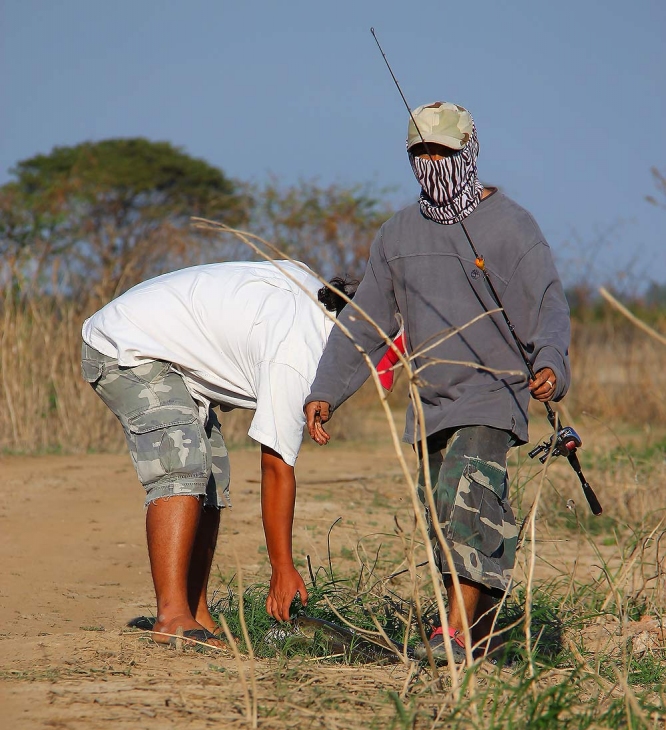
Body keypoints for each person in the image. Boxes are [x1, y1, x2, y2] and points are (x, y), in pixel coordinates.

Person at [305, 101, 571, 664]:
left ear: (470, 151)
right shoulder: (397, 233)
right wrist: (325, 391)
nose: (433, 163)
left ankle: (451, 633)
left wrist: (550, 362)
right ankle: (480, 636)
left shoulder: (512, 226)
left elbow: (548, 302)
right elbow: (366, 322)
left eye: (444, 152)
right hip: (428, 404)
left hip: (491, 395)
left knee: (467, 503)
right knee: (443, 520)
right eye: (421, 153)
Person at [81, 260, 355, 647]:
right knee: (185, 464)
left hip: (170, 358)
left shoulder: (321, 307)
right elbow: (277, 465)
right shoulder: (298, 352)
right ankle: (172, 616)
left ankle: (196, 612)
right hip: (125, 344)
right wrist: (282, 568)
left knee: (212, 474)